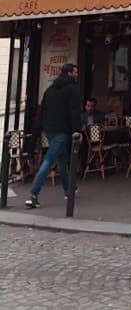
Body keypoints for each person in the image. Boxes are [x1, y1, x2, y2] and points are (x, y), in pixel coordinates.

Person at [25, 63, 81, 208]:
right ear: (69, 73)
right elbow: (74, 111)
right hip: (62, 130)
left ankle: (68, 190)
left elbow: (42, 111)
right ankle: (33, 194)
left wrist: (37, 133)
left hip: (49, 129)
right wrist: (77, 131)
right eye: (75, 72)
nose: (77, 74)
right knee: (49, 161)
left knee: (61, 160)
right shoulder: (72, 89)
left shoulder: (50, 90)